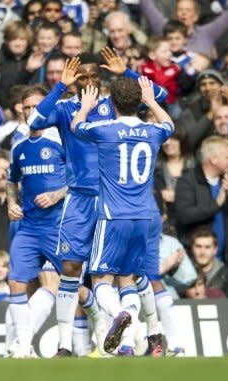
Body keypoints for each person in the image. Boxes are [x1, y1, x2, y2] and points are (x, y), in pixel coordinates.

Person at [28, 49, 167, 357]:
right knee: (71, 268)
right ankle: (65, 345)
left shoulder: (115, 106)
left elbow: (160, 95)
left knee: (128, 272)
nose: (89, 81)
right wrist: (59, 86)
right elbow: (33, 120)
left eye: (94, 75)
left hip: (112, 202)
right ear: (76, 78)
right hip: (78, 200)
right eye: (83, 76)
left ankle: (148, 334)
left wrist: (127, 72)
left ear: (102, 77)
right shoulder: (65, 108)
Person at [71, 76, 174, 356]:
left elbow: (76, 126)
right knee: (128, 278)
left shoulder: (105, 129)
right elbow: (169, 125)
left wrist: (86, 105)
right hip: (143, 217)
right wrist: (151, 101)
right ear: (138, 103)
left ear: (112, 102)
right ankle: (130, 343)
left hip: (112, 216)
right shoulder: (153, 131)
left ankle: (118, 314)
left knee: (100, 279)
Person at [6, 85, 67, 358]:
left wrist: (57, 195)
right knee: (17, 283)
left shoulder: (61, 139)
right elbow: (11, 180)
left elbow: (80, 178)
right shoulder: (18, 144)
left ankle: (95, 337)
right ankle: (21, 347)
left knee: (69, 286)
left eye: (37, 107)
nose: (32, 112)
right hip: (28, 226)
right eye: (27, 107)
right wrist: (11, 202)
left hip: (59, 224)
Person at [175, 136, 228, 269]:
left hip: (225, 261)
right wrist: (216, 204)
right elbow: (184, 215)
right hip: (197, 262)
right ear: (214, 159)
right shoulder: (188, 181)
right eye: (227, 157)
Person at [190, 227, 228, 297]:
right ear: (192, 248)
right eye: (198, 246)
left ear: (215, 250)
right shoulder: (184, 274)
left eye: (207, 247)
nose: (202, 252)